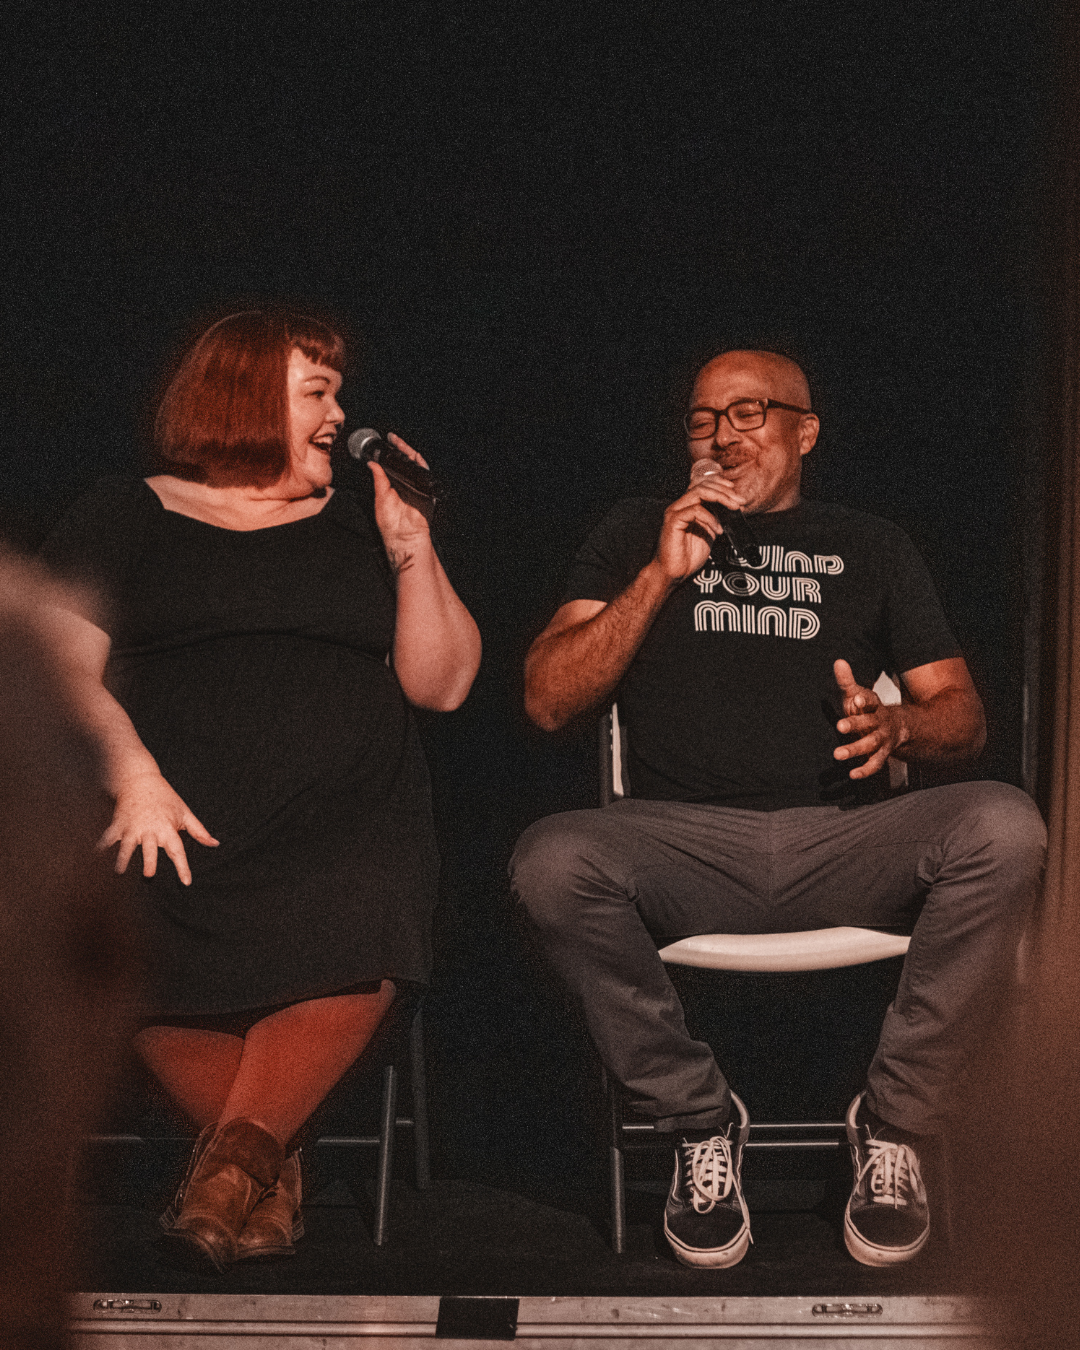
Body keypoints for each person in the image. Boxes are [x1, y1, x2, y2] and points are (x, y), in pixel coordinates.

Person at [510, 349, 1045, 1270]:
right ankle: (698, 1120)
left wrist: (901, 725)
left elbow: (964, 718)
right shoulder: (638, 529)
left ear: (806, 432)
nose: (721, 436)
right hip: (681, 842)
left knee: (1005, 827)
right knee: (551, 860)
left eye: (749, 413)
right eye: (702, 419)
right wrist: (660, 573)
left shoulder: (871, 545)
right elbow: (550, 700)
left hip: (845, 838)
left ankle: (896, 1124)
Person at [39, 310, 481, 1272]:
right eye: (317, 392)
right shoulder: (126, 512)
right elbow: (56, 670)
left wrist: (412, 544)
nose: (340, 415)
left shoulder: (364, 520)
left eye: (336, 393)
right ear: (243, 398)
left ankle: (230, 1172)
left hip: (344, 824)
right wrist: (136, 779)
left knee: (370, 899)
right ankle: (262, 1170)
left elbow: (442, 685)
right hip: (173, 813)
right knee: (118, 906)